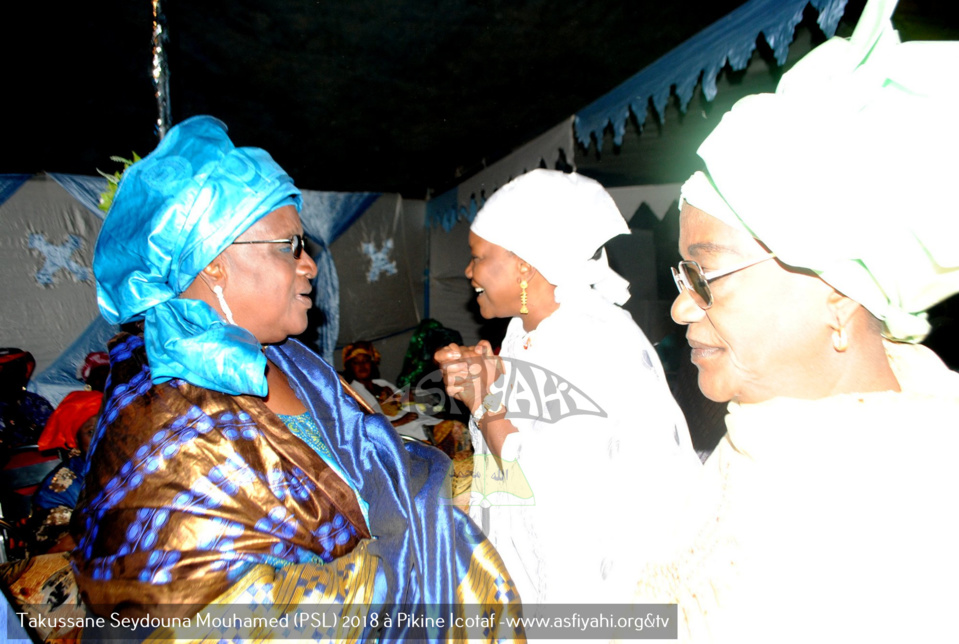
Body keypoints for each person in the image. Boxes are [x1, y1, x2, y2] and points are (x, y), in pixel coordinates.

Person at [71, 115, 521, 641]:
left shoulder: (289, 361)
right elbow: (236, 621)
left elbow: (379, 471)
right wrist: (437, 546)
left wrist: (470, 481)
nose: (309, 265)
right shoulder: (165, 420)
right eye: (290, 247)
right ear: (214, 261)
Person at [635, 0, 959, 640]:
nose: (678, 308)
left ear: (837, 294)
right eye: (682, 276)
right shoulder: (774, 426)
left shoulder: (896, 521)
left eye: (707, 276)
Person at [435, 169, 699, 607]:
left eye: (478, 256)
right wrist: (486, 376)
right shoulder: (524, 332)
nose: (468, 271)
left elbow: (561, 503)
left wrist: (487, 405)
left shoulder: (594, 340)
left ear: (524, 264)